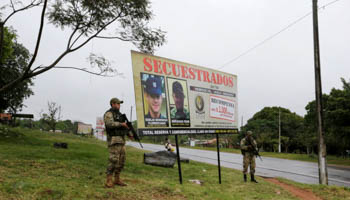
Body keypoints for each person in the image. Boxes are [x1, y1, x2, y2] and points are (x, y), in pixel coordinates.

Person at [104, 97, 133, 188]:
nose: (119, 105)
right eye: (117, 103)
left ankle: (117, 179)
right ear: (113, 104)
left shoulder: (120, 115)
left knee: (121, 161)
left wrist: (129, 134)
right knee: (113, 160)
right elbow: (109, 124)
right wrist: (121, 124)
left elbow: (124, 126)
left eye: (119, 104)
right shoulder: (109, 113)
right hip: (114, 140)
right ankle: (109, 179)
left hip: (121, 140)